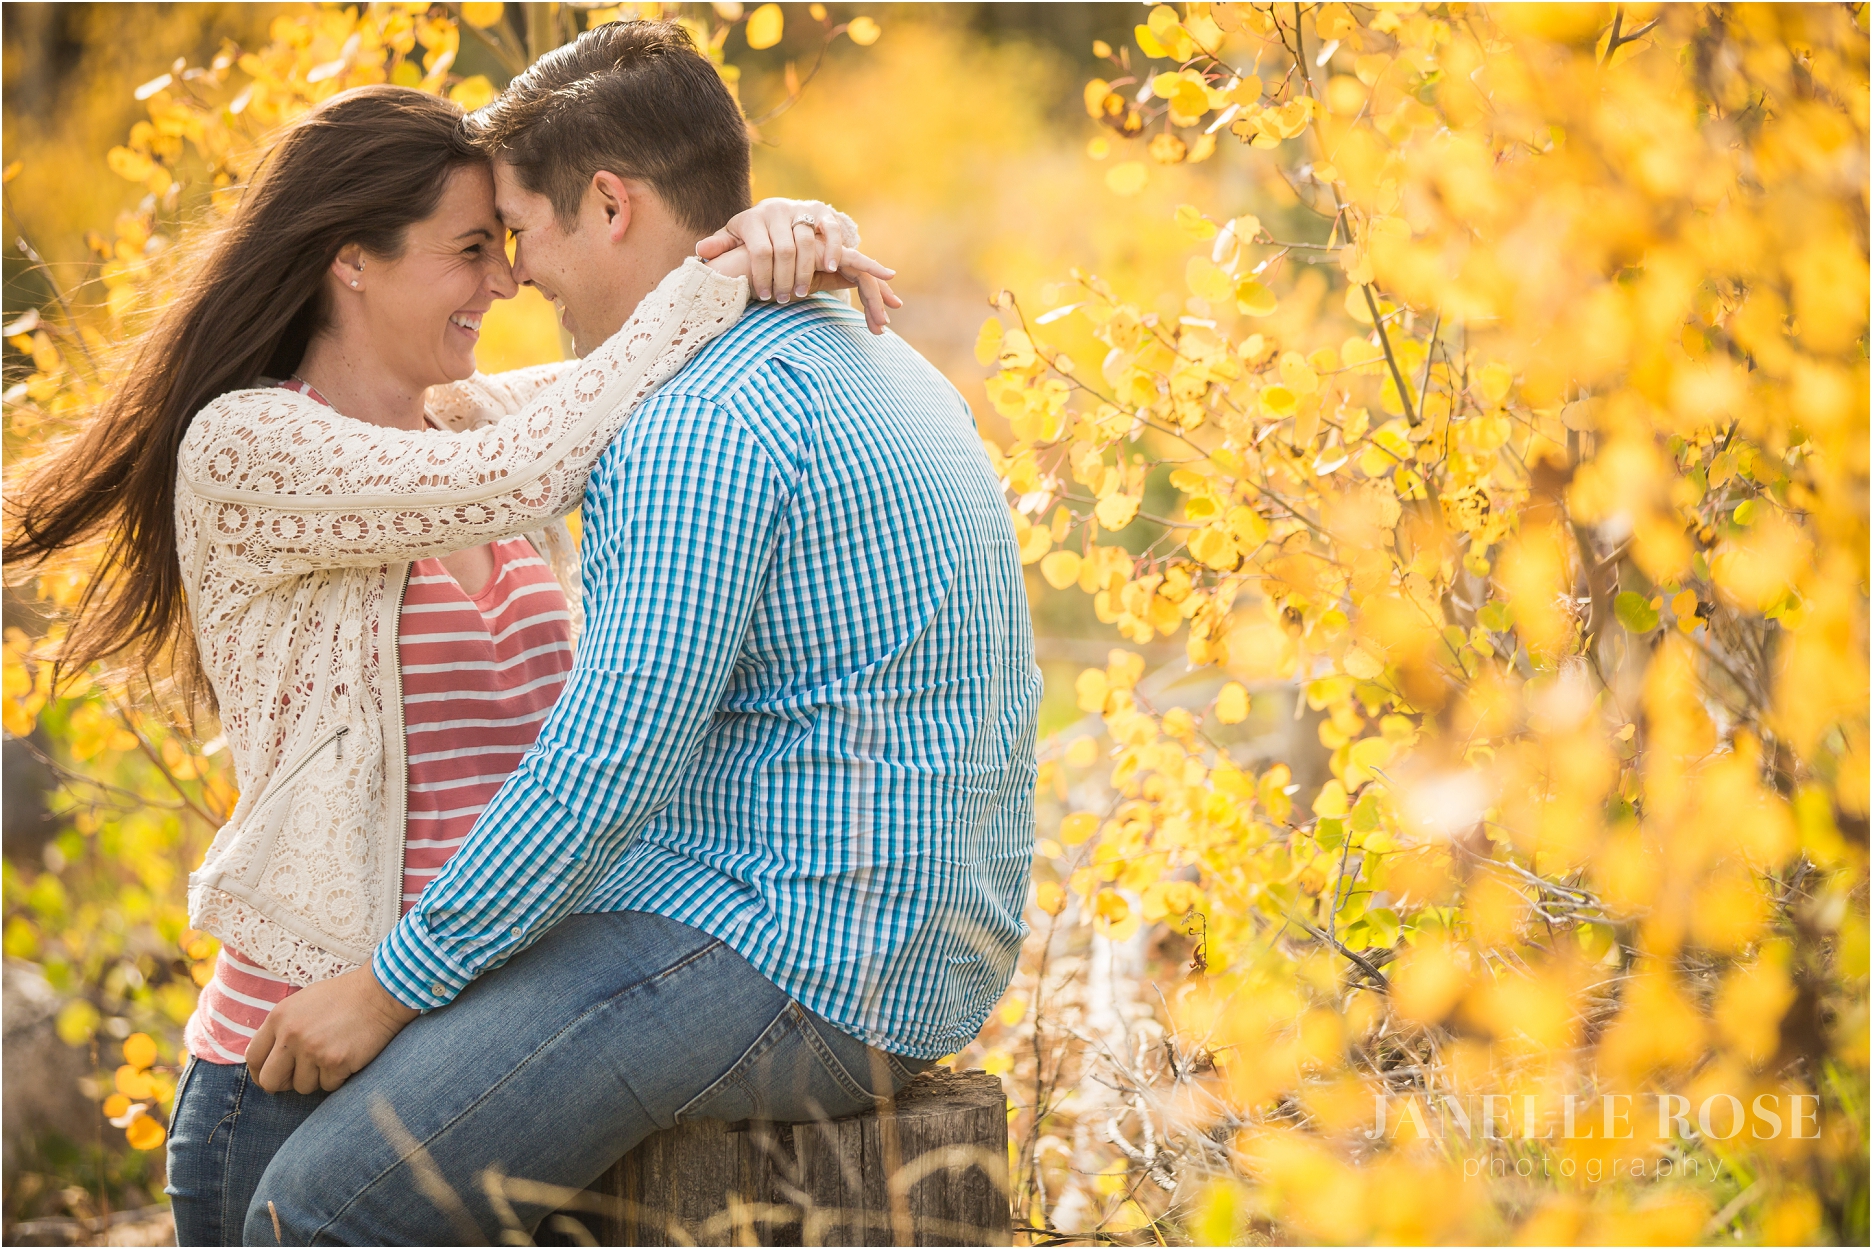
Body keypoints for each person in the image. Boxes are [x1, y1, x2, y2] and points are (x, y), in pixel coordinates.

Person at [2, 80, 891, 1246]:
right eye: (472, 249)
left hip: (492, 1063)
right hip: (298, 1070)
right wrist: (712, 277)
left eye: (509, 245)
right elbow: (549, 456)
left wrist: (783, 232)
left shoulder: (465, 421)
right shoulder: (248, 446)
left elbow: (633, 378)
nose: (510, 281)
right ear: (350, 260)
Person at [236, 19, 1042, 1245]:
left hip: (797, 956)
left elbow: (605, 762)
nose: (517, 275)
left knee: (317, 1205)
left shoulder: (699, 422)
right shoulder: (872, 352)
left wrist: (394, 984)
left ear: (609, 206)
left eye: (524, 228)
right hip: (930, 955)